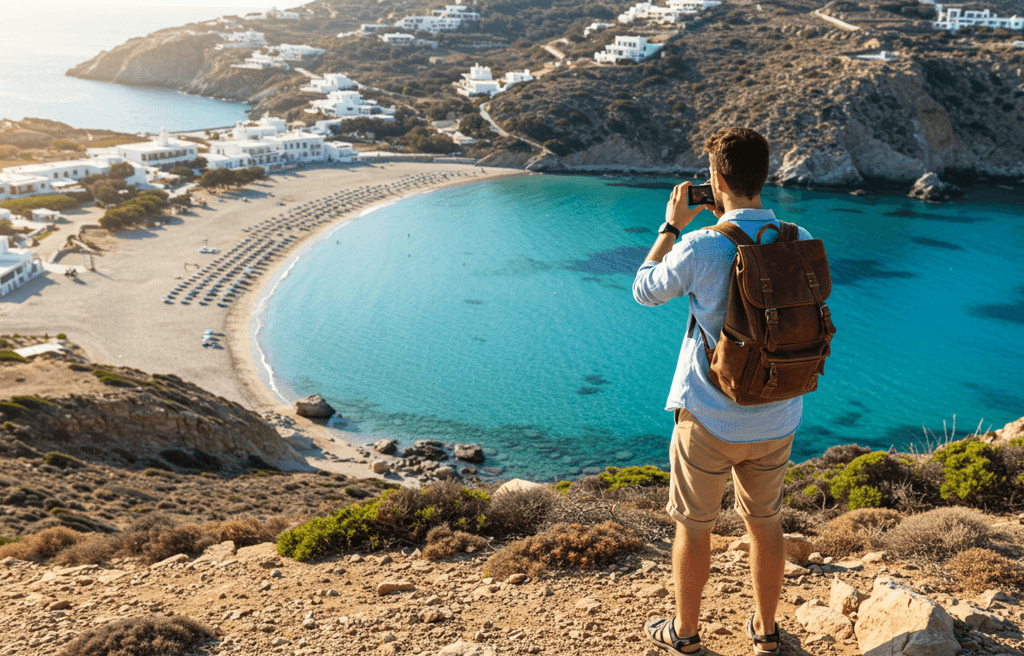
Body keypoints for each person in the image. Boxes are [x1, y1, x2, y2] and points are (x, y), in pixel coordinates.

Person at [633, 127, 812, 656]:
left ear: (715, 179)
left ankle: (685, 635)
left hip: (709, 417)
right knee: (766, 523)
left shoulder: (703, 244)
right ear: (765, 174)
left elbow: (645, 290)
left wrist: (670, 226)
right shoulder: (797, 237)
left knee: (694, 526)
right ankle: (766, 631)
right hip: (779, 413)